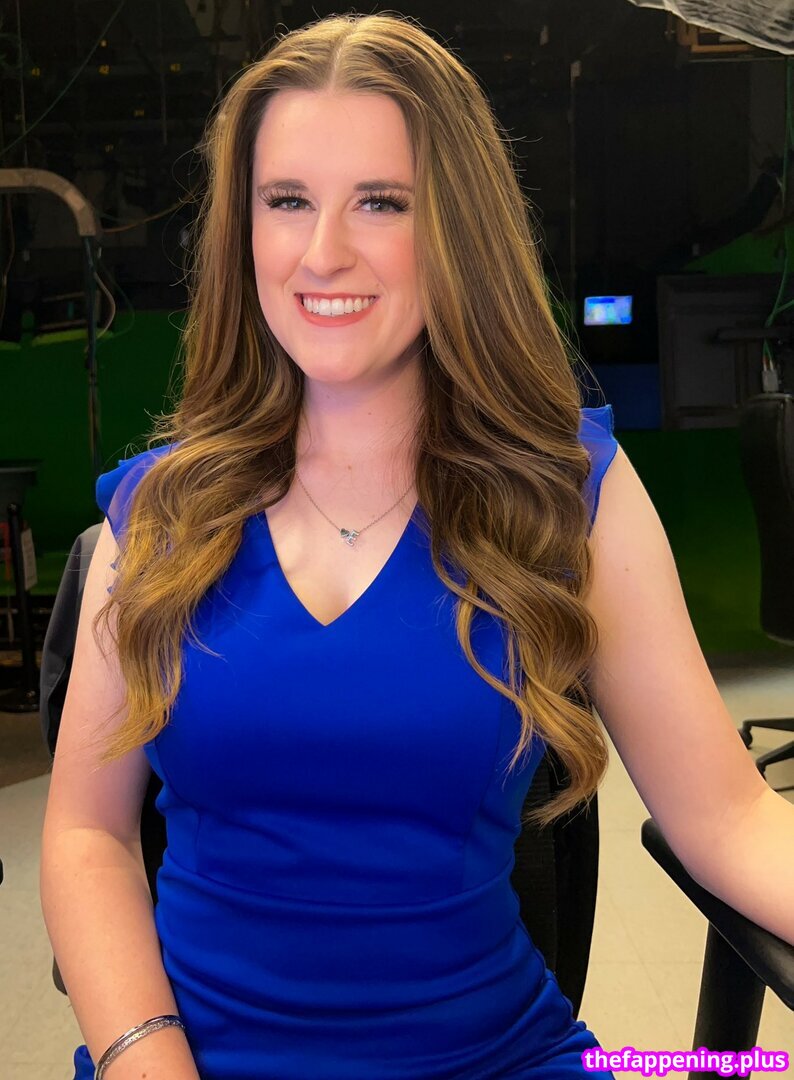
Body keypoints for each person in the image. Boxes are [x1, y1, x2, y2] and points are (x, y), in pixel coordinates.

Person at [40, 11, 794, 1080]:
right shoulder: (162, 509)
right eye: (286, 200)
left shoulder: (566, 492)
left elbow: (729, 819)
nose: (323, 253)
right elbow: (87, 837)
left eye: (380, 203)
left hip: (491, 1056)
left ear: (454, 229)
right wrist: (143, 1058)